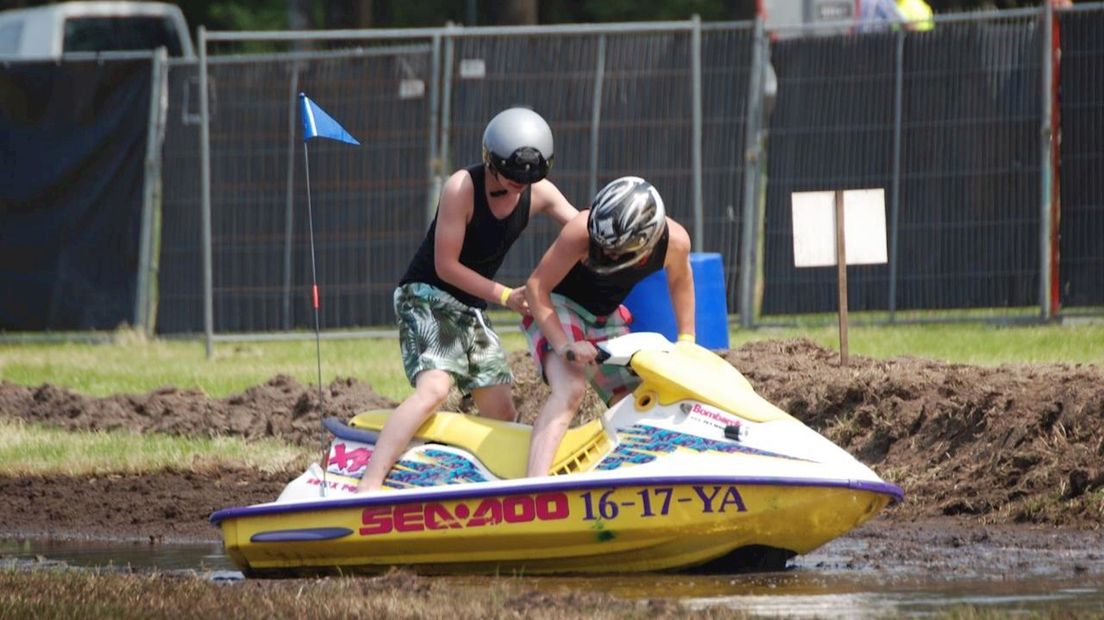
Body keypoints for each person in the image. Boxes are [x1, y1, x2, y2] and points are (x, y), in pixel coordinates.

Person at [357, 107, 578, 493]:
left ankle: (508, 487)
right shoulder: (461, 187)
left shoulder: (535, 191)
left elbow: (580, 227)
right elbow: (446, 266)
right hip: (426, 296)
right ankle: (369, 484)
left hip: (471, 308)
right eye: (510, 179)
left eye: (527, 181)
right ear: (491, 161)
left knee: (502, 411)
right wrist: (507, 296)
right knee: (435, 389)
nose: (517, 189)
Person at [522, 176, 695, 478]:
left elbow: (681, 281)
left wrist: (687, 340)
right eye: (602, 247)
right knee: (571, 389)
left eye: (616, 252)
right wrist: (564, 346)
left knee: (637, 397)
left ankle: (635, 475)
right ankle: (531, 488)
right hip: (558, 305)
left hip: (606, 314)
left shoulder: (675, 243)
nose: (606, 255)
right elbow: (537, 288)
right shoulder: (579, 230)